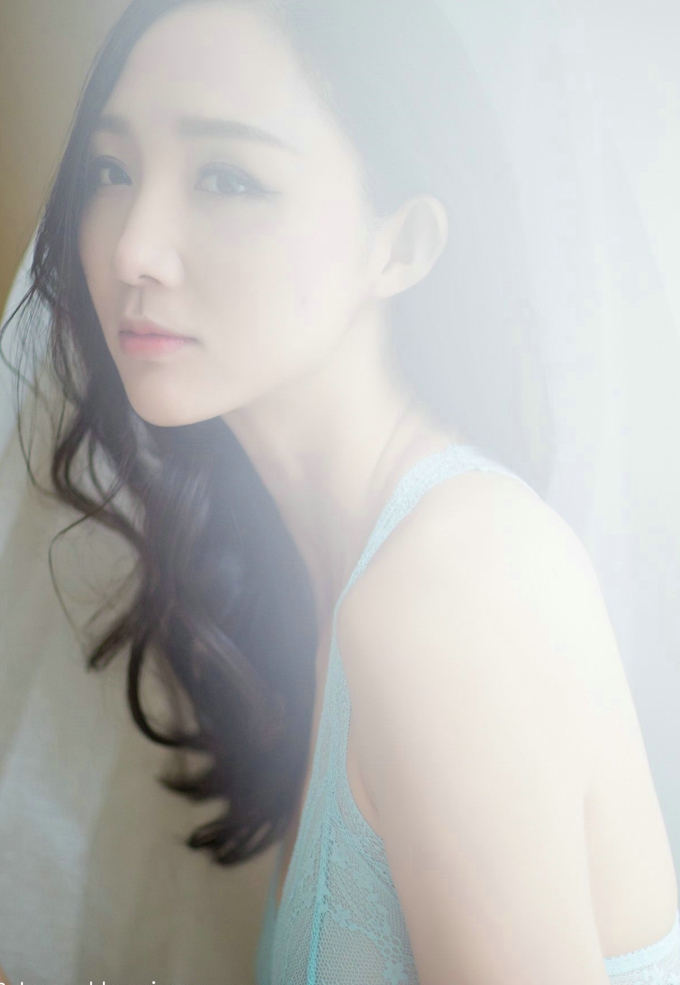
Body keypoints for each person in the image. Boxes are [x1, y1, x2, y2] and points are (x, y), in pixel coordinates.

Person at [1, 0, 678, 982]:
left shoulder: (449, 589)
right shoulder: (320, 571)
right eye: (111, 170)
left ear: (399, 246)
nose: (131, 248)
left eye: (228, 177)